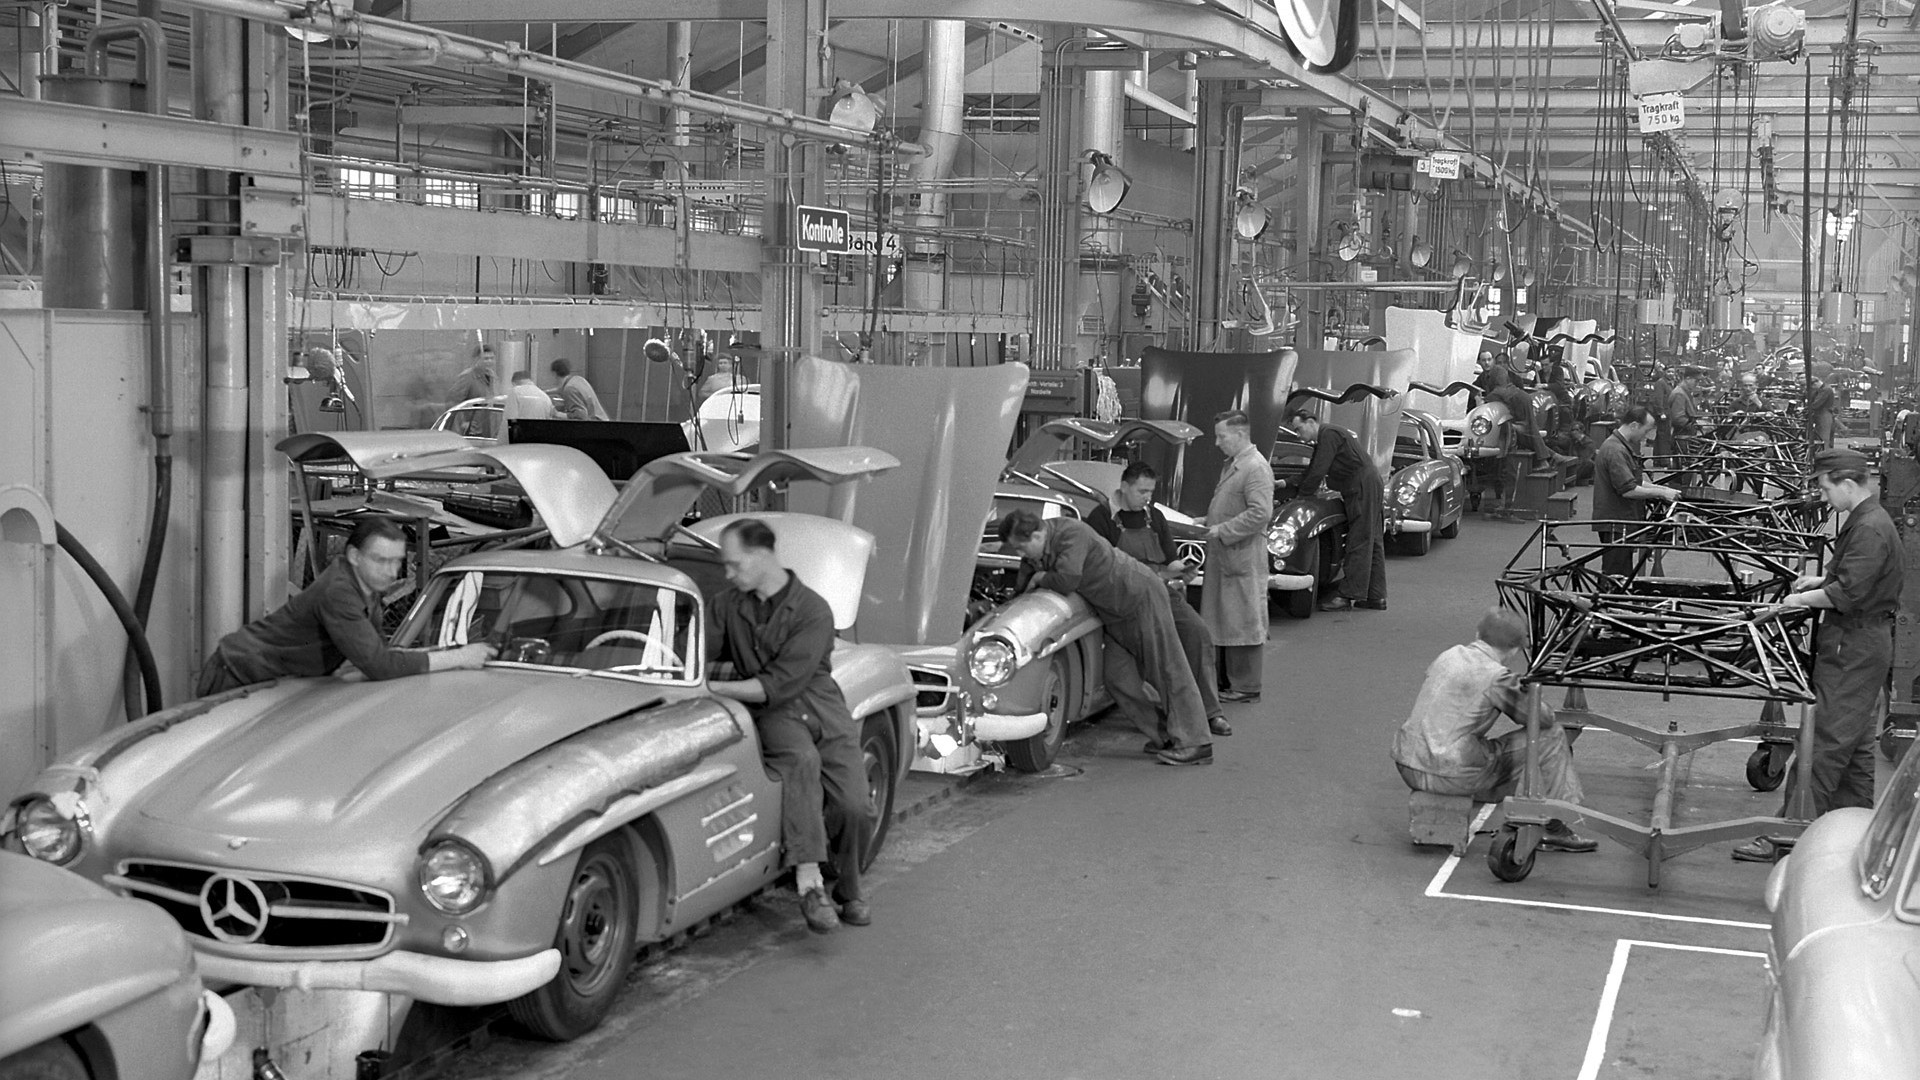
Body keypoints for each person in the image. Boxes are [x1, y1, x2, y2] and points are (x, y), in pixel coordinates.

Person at [1734, 448, 1905, 862]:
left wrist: (1798, 600)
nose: (1825, 498)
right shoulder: (1867, 519)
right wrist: (1820, 581)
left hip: (1854, 645)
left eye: (1827, 490)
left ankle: (1787, 836)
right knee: (1855, 745)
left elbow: (1847, 593)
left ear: (1847, 484)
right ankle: (1853, 832)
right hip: (1864, 641)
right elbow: (1852, 578)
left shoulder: (1869, 528)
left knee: (1824, 742)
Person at [707, 518, 876, 931]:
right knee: (800, 762)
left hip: (818, 705)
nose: (728, 574)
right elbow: (697, 652)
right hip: (776, 715)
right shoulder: (726, 606)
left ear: (763, 555)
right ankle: (810, 883)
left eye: (734, 564)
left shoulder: (814, 609)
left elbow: (779, 684)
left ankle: (850, 888)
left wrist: (711, 687)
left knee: (855, 805)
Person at [998, 510, 1215, 765]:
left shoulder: (1071, 533)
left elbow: (1068, 579)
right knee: (1117, 677)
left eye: (1021, 548)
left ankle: (1196, 742)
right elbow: (1023, 587)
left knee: (1168, 669)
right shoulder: (1036, 552)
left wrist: (1040, 577)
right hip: (1113, 612)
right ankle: (1165, 735)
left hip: (1140, 596)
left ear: (1037, 535)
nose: (1020, 555)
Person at [196, 517, 493, 696]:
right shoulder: (339, 592)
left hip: (275, 680)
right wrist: (459, 657)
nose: (391, 572)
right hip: (236, 673)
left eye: (397, 561)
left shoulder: (366, 585)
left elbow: (379, 651)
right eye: (381, 560)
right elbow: (379, 665)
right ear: (354, 556)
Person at [1390, 607, 1598, 852]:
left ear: (1478, 634)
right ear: (1513, 650)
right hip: (1448, 774)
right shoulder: (1497, 677)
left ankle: (1516, 800)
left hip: (1408, 763)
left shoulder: (1449, 655)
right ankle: (1553, 825)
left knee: (1481, 746)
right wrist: (1527, 687)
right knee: (1552, 737)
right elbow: (1542, 718)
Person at [1086, 461, 1232, 740]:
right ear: (1124, 487)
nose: (1147, 498)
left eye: (1151, 492)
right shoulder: (1101, 519)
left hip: (1162, 591)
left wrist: (1182, 570)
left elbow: (1170, 559)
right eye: (1142, 491)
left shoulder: (1154, 516)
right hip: (1125, 601)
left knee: (1197, 632)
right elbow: (1099, 569)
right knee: (1153, 654)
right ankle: (1169, 721)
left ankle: (1210, 712)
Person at [1283, 404, 1386, 613]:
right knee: (1371, 539)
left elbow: (1318, 471)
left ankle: (1347, 596)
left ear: (1311, 422)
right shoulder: (1327, 437)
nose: (1299, 436)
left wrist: (1301, 498)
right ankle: (1375, 596)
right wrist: (1285, 483)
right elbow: (1313, 468)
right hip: (1366, 484)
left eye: (1299, 430)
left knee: (1359, 539)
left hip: (1361, 486)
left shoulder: (1329, 434)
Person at [1202, 410, 1274, 703]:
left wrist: (1223, 529)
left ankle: (1246, 685)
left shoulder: (1255, 468)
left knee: (1243, 619)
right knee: (1228, 618)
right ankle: (1232, 681)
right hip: (1228, 555)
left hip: (1241, 556)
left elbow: (1260, 513)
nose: (1217, 442)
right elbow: (1234, 506)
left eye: (1222, 436)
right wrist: (1206, 522)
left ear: (1241, 434)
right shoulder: (1235, 465)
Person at [1590, 406, 1682, 580]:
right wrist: (1660, 494)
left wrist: (1664, 489)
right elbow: (1628, 490)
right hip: (1616, 522)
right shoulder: (1615, 450)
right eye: (1645, 431)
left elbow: (1635, 482)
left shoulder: (1621, 447)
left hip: (1621, 520)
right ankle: (1607, 597)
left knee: (1621, 572)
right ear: (1634, 425)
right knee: (1615, 575)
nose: (1646, 436)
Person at [1807, 365, 1837, 448]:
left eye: (1813, 387)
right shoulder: (1822, 389)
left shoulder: (1825, 390)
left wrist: (1808, 408)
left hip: (1824, 415)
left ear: (1816, 383)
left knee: (1823, 438)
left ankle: (1825, 453)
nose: (1813, 389)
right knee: (1822, 437)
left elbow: (1817, 404)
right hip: (1823, 414)